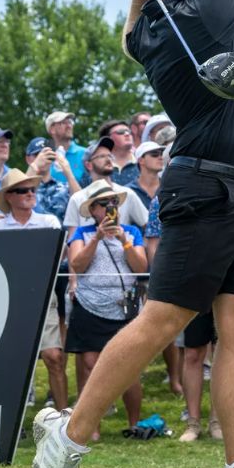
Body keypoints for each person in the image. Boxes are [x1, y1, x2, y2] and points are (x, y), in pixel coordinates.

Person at [33, 0, 234, 468]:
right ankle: (70, 434)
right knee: (163, 319)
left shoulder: (156, 30)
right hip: (207, 187)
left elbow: (129, 37)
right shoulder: (203, 12)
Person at [64, 182, 148, 440]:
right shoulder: (81, 233)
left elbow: (140, 266)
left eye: (114, 202)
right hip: (90, 306)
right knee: (90, 364)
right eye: (104, 204)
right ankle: (91, 427)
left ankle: (133, 423)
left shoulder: (132, 231)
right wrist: (98, 238)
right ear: (93, 210)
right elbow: (77, 264)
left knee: (129, 369)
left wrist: (123, 240)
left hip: (124, 309)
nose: (110, 207)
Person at [0, 169, 67, 410]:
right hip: (8, 300)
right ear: (9, 197)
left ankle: (66, 420)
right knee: (14, 363)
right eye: (23, 190)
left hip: (44, 295)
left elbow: (56, 257)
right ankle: (14, 419)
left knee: (54, 356)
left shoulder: (49, 221)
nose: (30, 194)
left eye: (32, 189)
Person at [64, 137, 149, 233]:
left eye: (110, 156)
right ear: (89, 165)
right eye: (101, 156)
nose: (108, 159)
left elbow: (149, 227)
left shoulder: (127, 193)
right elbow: (72, 239)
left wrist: (140, 245)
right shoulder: (77, 198)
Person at [24, 138, 77, 221]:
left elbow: (81, 205)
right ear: (27, 159)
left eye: (47, 154)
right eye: (37, 155)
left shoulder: (63, 187)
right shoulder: (22, 186)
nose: (43, 158)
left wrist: (68, 173)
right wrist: (35, 166)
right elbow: (20, 194)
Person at [44, 111, 85, 186]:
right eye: (63, 123)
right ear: (52, 130)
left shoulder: (85, 154)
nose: (69, 126)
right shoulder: (46, 159)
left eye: (70, 122)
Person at [127, 141, 165, 208]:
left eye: (161, 154)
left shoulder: (169, 188)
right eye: (154, 154)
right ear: (141, 160)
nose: (160, 157)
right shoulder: (129, 191)